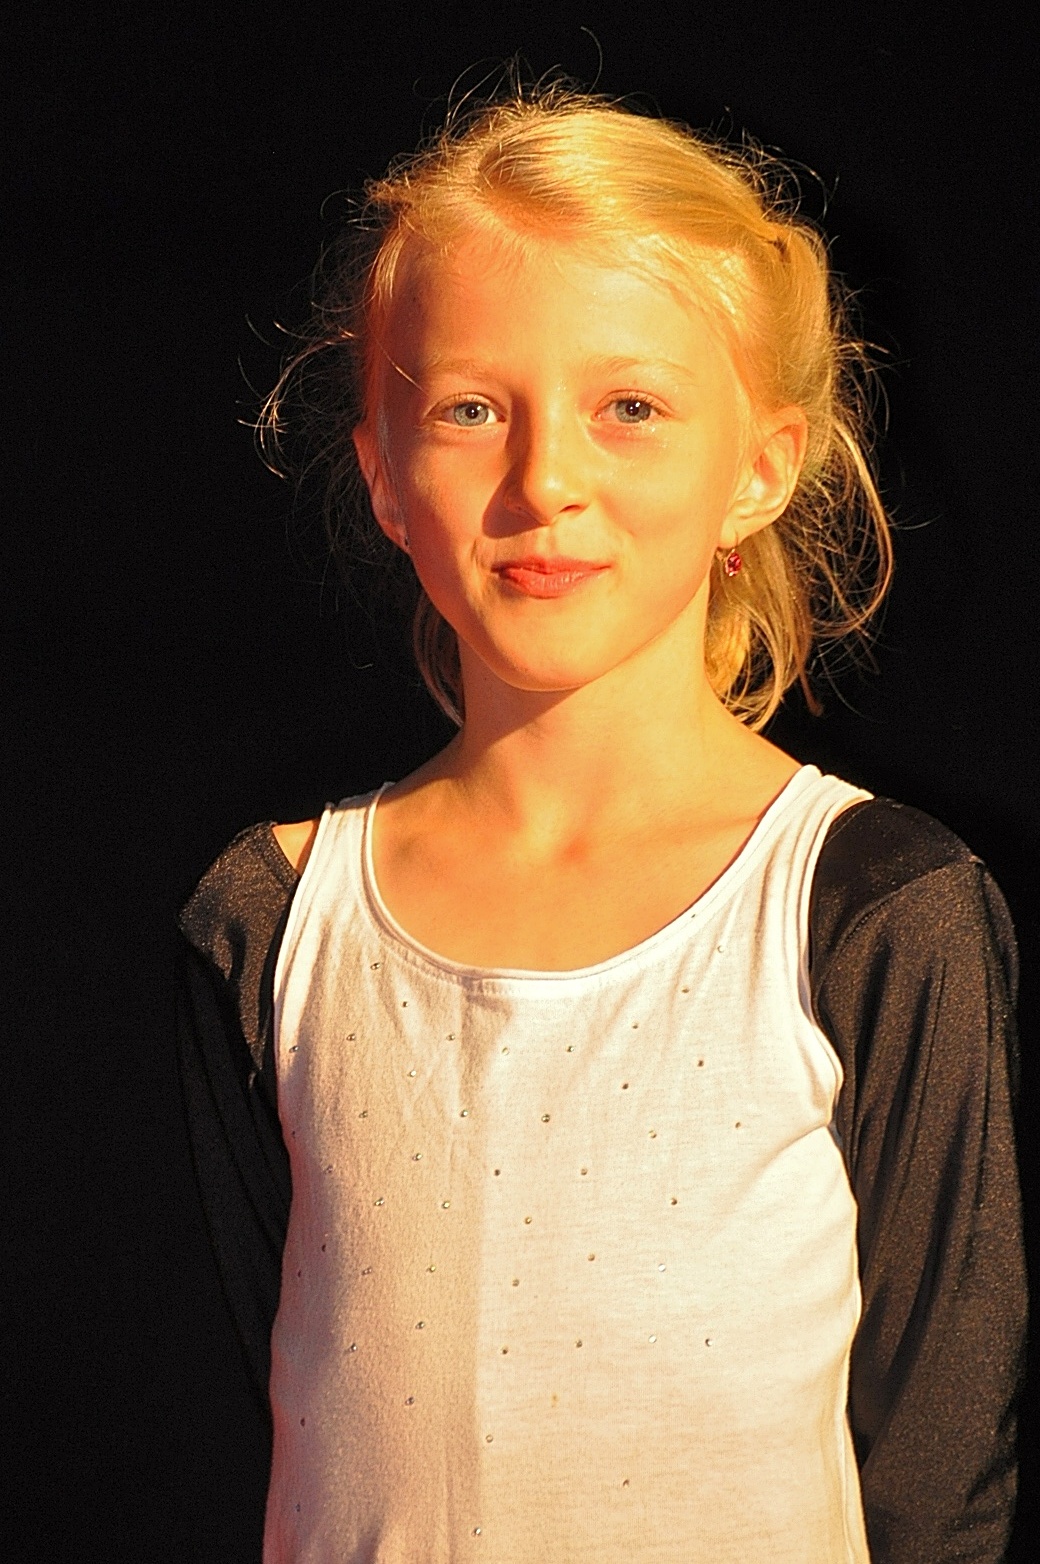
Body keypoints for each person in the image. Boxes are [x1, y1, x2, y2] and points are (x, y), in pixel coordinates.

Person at [177, 82, 1025, 1562]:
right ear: (384, 473)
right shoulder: (269, 920)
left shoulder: (873, 909)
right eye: (469, 409)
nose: (546, 482)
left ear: (759, 467)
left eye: (629, 407)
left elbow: (944, 1476)